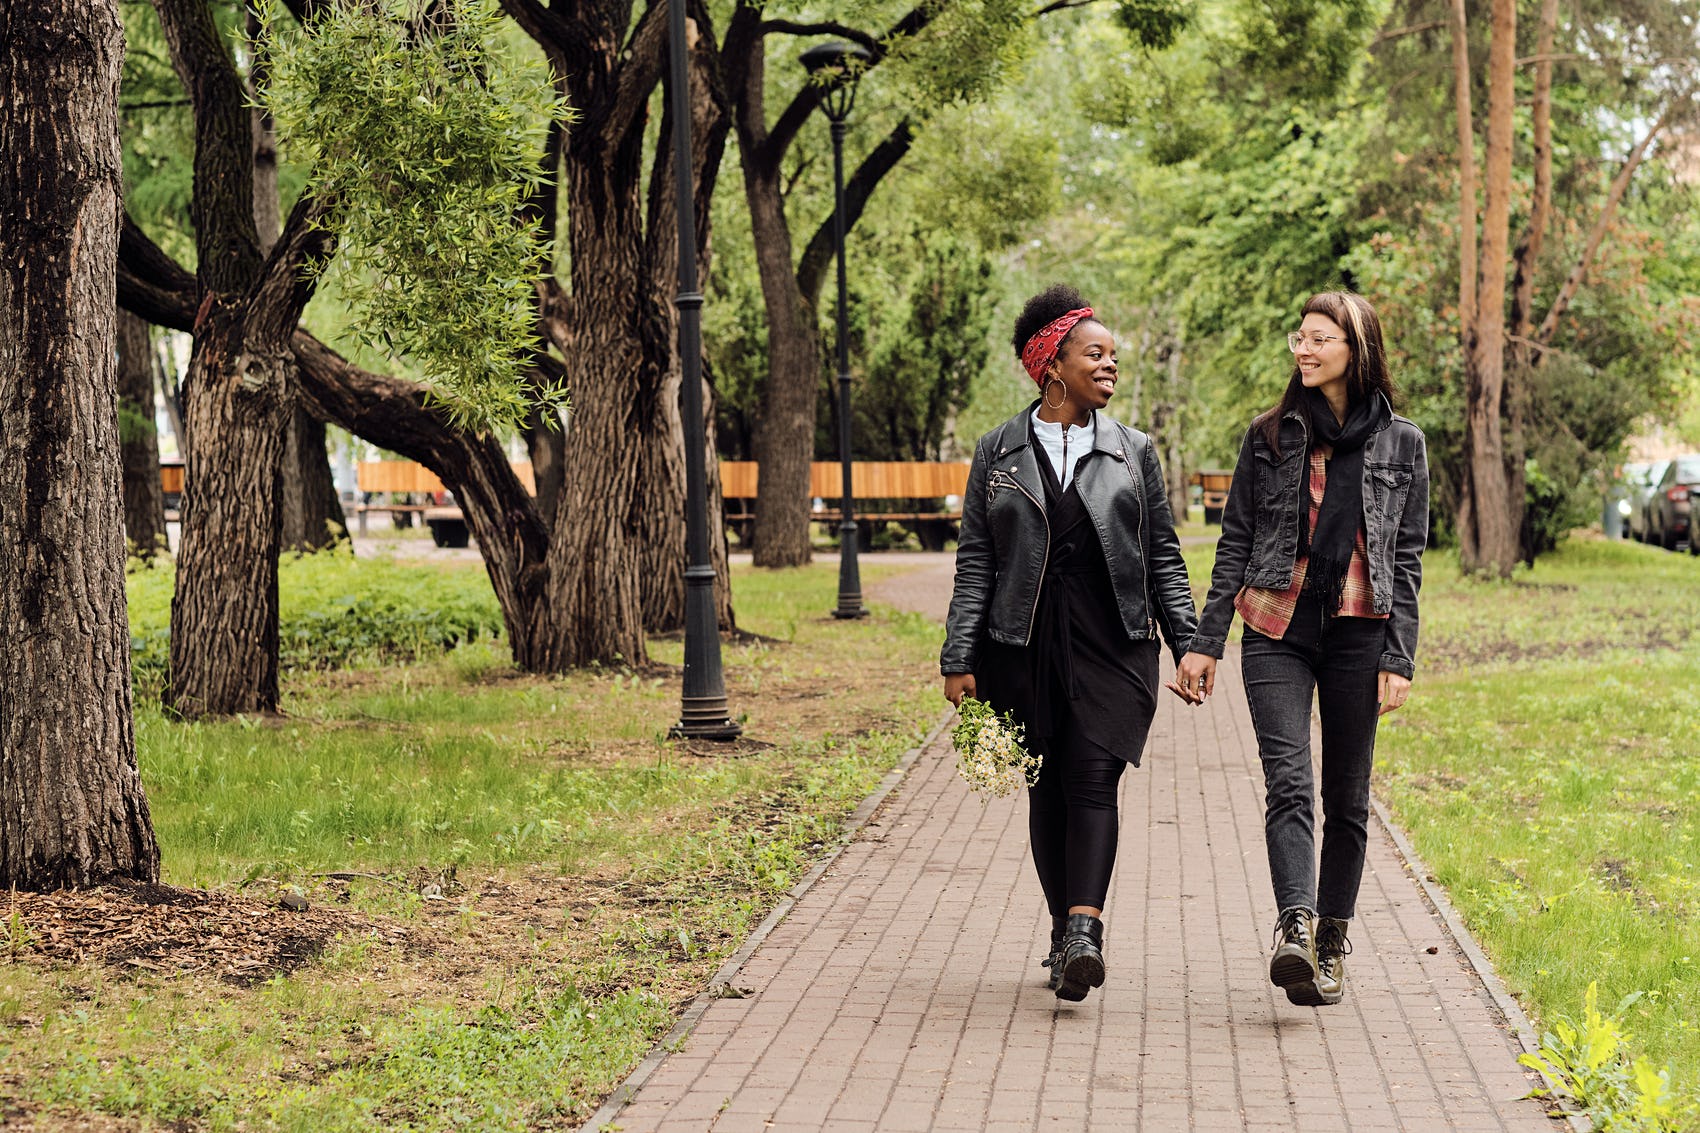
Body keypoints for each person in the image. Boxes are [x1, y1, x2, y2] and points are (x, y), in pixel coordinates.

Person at [941, 284, 1198, 1003]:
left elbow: (1163, 558)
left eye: (1115, 354)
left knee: (1092, 778)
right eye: (1096, 353)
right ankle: (1062, 928)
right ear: (1052, 365)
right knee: (1045, 788)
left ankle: (1085, 931)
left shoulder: (1134, 450)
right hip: (1018, 644)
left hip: (1111, 639)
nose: (1111, 364)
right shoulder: (997, 449)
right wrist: (959, 654)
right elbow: (976, 559)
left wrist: (1190, 644)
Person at [1174, 291, 1429, 1007]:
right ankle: (1295, 922)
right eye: (1300, 337)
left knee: (1347, 795)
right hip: (1276, 626)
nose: (1304, 350)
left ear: (1356, 348)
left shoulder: (1402, 443)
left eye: (1320, 339)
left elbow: (1405, 559)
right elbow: (1236, 541)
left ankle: (1330, 941)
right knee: (1287, 780)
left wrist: (1398, 656)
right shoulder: (1270, 435)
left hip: (1358, 631)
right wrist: (1205, 641)